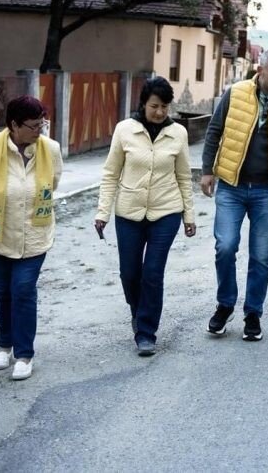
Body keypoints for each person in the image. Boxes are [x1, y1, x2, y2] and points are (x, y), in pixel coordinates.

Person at [201, 49, 268, 340]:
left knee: (261, 256)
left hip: (267, 191)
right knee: (225, 246)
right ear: (260, 70)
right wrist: (207, 170)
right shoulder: (235, 93)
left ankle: (253, 313)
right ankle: (225, 305)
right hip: (231, 186)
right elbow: (214, 131)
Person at [0, 96, 63, 381]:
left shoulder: (50, 149)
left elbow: (53, 182)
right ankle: (4, 347)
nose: (39, 131)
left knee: (23, 290)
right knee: (3, 291)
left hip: (35, 235)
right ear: (14, 125)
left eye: (42, 124)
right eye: (33, 126)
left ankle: (24, 355)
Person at [94, 77, 196, 356]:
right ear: (143, 104)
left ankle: (146, 332)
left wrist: (189, 216)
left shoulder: (178, 133)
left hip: (166, 211)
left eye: (164, 106)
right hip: (129, 213)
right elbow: (110, 174)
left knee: (152, 272)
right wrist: (102, 212)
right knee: (129, 273)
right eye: (154, 106)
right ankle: (137, 311)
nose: (160, 112)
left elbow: (184, 176)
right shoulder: (124, 130)